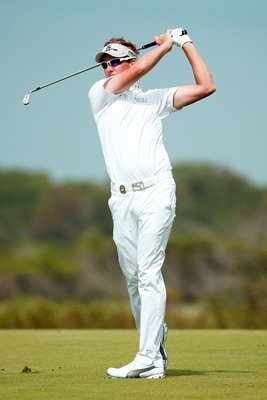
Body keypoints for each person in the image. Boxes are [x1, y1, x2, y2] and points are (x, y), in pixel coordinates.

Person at [88, 27, 216, 379]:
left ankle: (145, 355)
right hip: (121, 199)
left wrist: (186, 43)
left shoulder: (154, 99)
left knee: (148, 272)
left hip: (157, 191)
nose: (110, 69)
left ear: (128, 60)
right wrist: (164, 47)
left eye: (116, 62)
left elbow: (206, 86)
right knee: (133, 279)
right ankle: (155, 354)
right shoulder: (100, 95)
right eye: (105, 64)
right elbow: (140, 70)